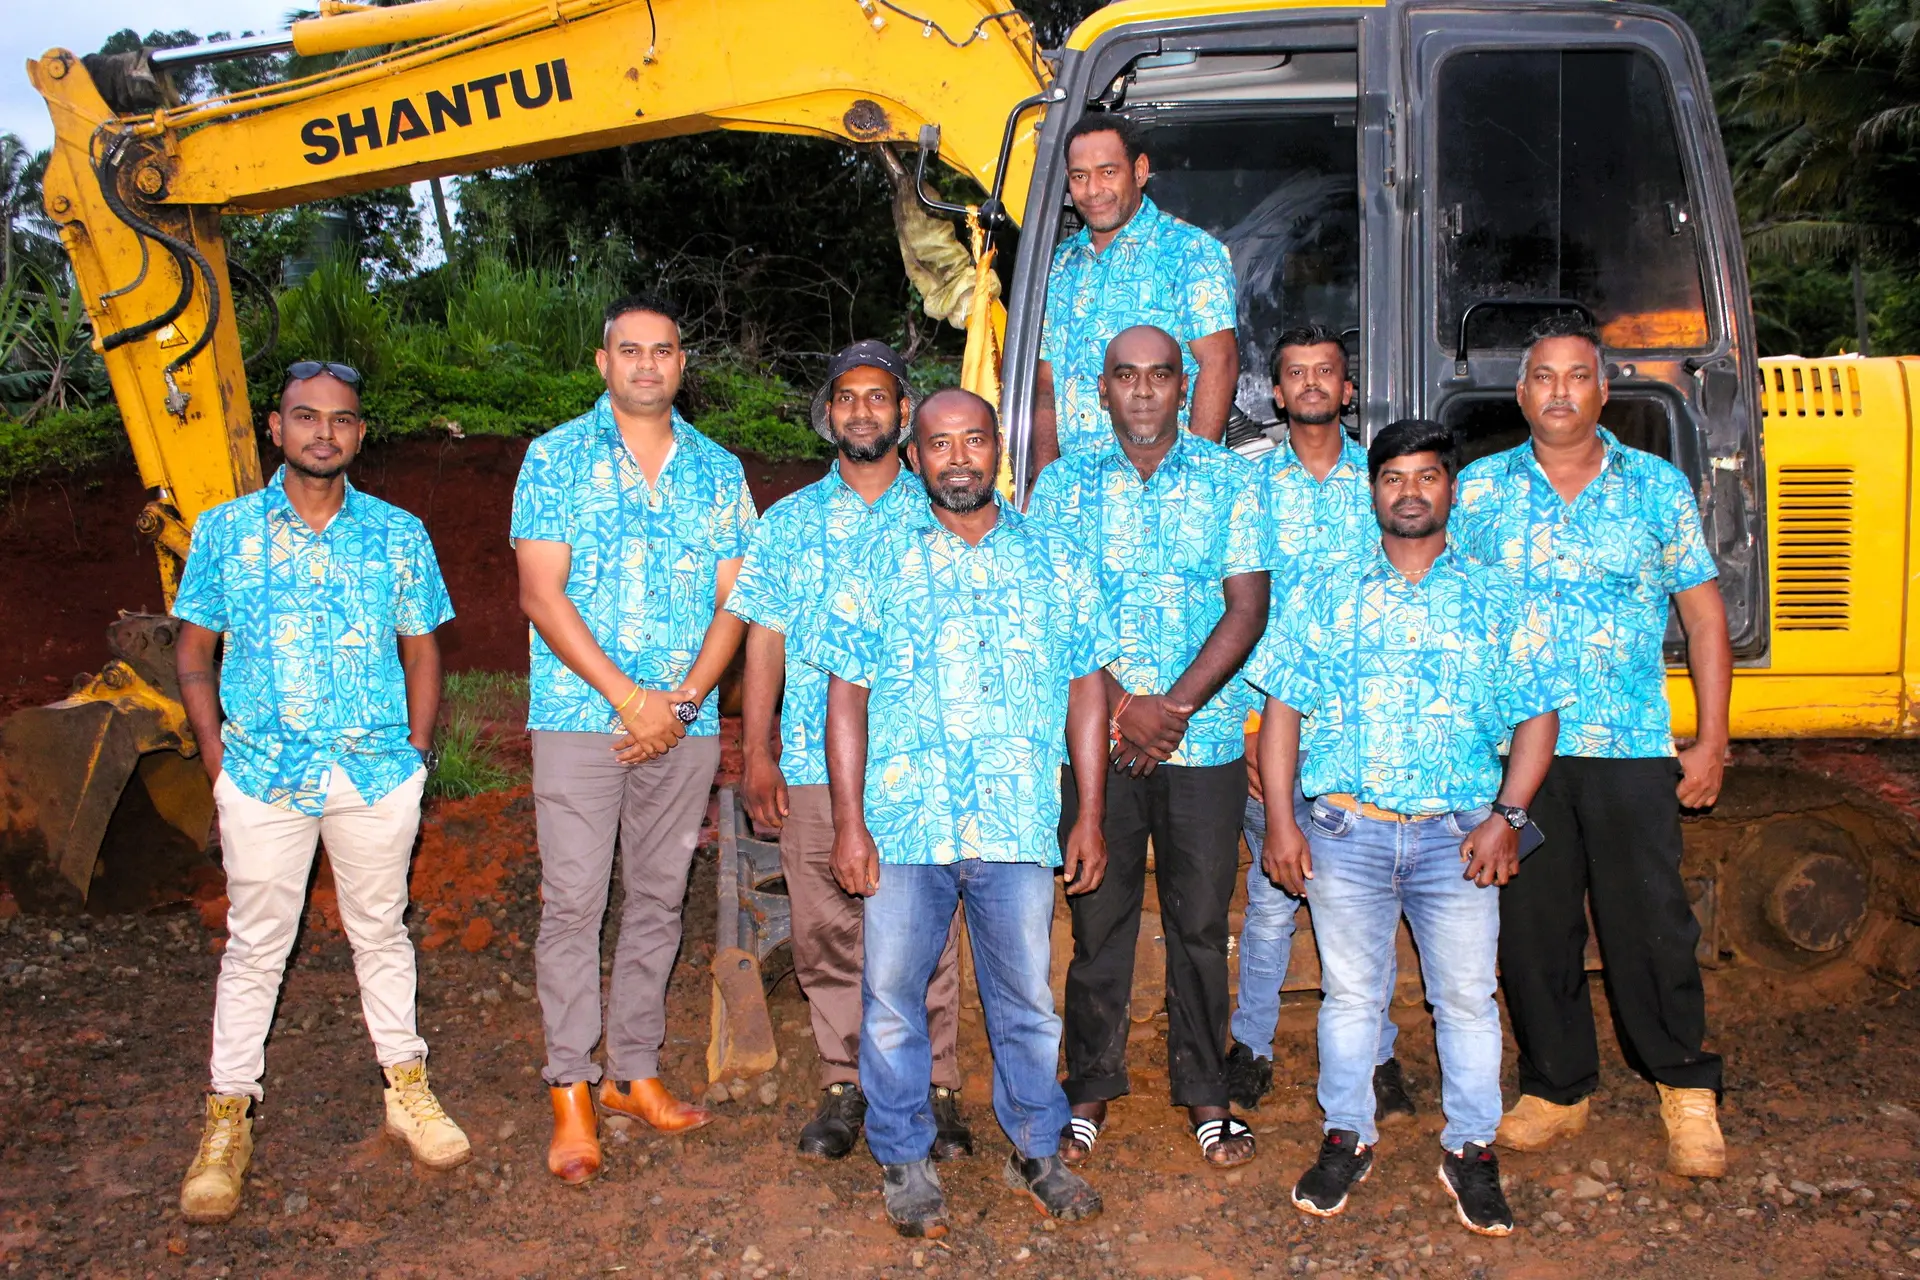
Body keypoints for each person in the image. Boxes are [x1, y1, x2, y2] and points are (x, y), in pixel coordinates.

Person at [798, 389, 1116, 1238]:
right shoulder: (873, 559)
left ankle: (1036, 1149)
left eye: (976, 439)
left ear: (998, 448)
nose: (960, 457)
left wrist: (1087, 813)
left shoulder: (1054, 559)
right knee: (894, 998)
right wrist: (849, 822)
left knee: (1026, 1000)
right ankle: (903, 1158)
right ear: (915, 456)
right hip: (903, 824)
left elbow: (1088, 687)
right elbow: (845, 698)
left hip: (1016, 820)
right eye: (941, 444)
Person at [1251, 418, 1570, 1237]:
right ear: (1374, 492)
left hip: (1456, 839)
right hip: (1347, 834)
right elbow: (1282, 710)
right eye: (1394, 479)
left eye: (1427, 476)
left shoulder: (1497, 595)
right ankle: (1346, 1135)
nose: (1411, 492)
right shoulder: (1328, 588)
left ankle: (1471, 1149)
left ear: (1450, 489)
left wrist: (1508, 817)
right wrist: (1283, 823)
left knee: (1465, 997)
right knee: (1351, 996)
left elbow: (1539, 718)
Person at [173, 360, 468, 1224]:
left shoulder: (398, 534)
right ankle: (227, 1121)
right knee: (257, 946)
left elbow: (423, 648)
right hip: (263, 773)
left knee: (381, 929)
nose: (323, 434)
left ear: (359, 434)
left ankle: (406, 1089)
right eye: (306, 418)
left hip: (374, 773)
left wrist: (415, 753)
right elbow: (194, 653)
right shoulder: (226, 532)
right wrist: (216, 757)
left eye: (340, 420)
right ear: (276, 427)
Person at [1451, 313, 1732, 1178]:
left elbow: (1703, 615)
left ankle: (1685, 1088)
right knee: (1533, 929)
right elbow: (1450, 612)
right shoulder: (1479, 492)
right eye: (1543, 376)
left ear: (1604, 390)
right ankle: (1556, 1088)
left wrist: (1714, 736)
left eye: (1578, 376)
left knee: (1649, 922)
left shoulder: (1655, 488)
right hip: (1516, 757)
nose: (1560, 391)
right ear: (1522, 392)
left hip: (1630, 746)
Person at [512, 295, 757, 1184]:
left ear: (682, 365)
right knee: (574, 904)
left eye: (663, 351)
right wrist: (629, 699)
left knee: (657, 900)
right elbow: (542, 593)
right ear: (602, 362)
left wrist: (685, 701)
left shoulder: (719, 471)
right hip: (583, 721)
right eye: (630, 351)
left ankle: (633, 1072)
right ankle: (570, 1089)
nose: (647, 365)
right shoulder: (555, 458)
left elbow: (737, 598)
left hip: (682, 724)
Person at [1026, 326, 1269, 1168]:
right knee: (1100, 921)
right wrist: (1126, 706)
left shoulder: (1229, 480)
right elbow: (1051, 615)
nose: (1141, 392)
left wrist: (1173, 709)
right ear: (1102, 390)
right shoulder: (1062, 487)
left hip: (1200, 749)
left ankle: (1206, 1088)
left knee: (1201, 924)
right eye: (1125, 377)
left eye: (1160, 376)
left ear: (1184, 385)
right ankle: (1089, 1083)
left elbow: (1246, 607)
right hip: (1098, 743)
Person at [726, 340, 973, 1162]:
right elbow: (764, 640)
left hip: (923, 764)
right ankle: (845, 1082)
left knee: (930, 928)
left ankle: (937, 1085)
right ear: (827, 415)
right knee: (827, 926)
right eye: (846, 398)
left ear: (905, 414)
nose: (862, 411)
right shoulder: (789, 523)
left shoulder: (943, 508)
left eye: (879, 397)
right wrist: (757, 753)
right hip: (809, 758)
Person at [1227, 326, 1412, 1123]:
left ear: (1347, 390)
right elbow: (1226, 606)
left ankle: (1378, 1056)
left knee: (1369, 902)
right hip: (1266, 722)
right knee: (1271, 901)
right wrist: (1241, 724)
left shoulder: (1383, 481)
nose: (1309, 385)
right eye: (1294, 373)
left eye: (1325, 373)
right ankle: (1252, 1048)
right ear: (1275, 392)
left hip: (1358, 732)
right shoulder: (1248, 485)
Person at [1033, 113, 1238, 472]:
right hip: (1075, 495)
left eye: (1107, 172)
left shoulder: (1188, 252)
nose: (1093, 190)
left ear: (1139, 171)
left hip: (1162, 491)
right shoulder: (1060, 265)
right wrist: (1046, 476)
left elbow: (1218, 363)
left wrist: (1194, 480)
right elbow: (1048, 384)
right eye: (1080, 177)